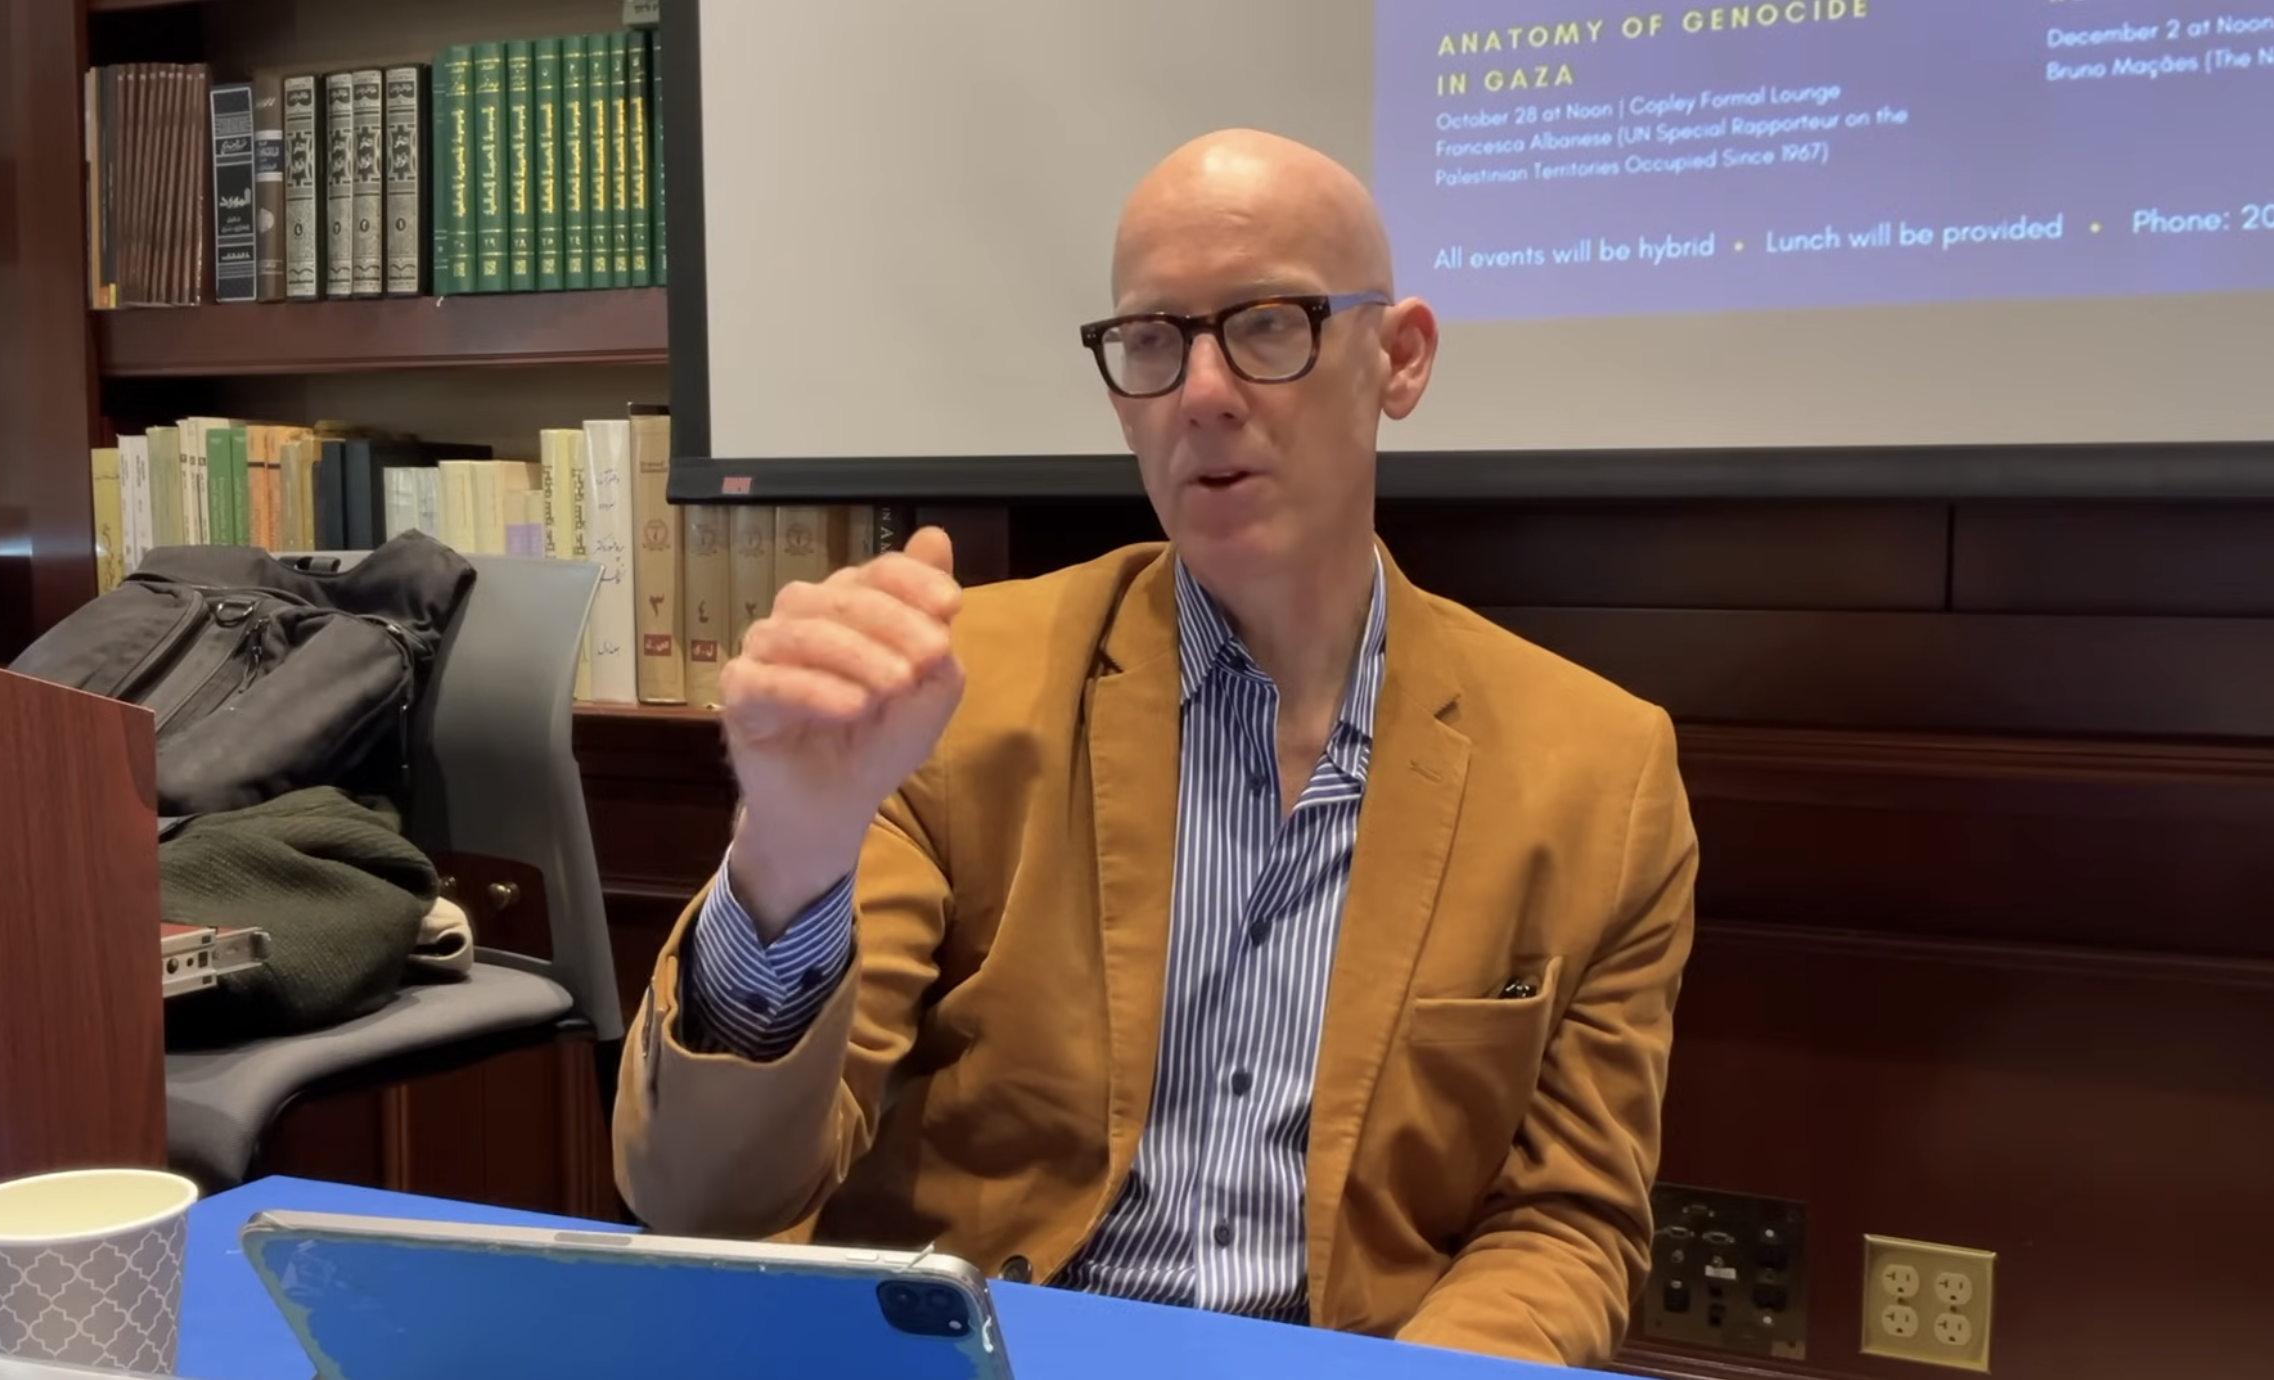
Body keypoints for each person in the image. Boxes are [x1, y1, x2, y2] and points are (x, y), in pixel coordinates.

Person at [613, 128, 1698, 1368]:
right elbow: (702, 1198)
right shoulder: (950, 693)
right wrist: (788, 858)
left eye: (1269, 325)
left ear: (1399, 359)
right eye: (1151, 342)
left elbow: (1564, 1224)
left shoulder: (1598, 772)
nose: (1203, 394)